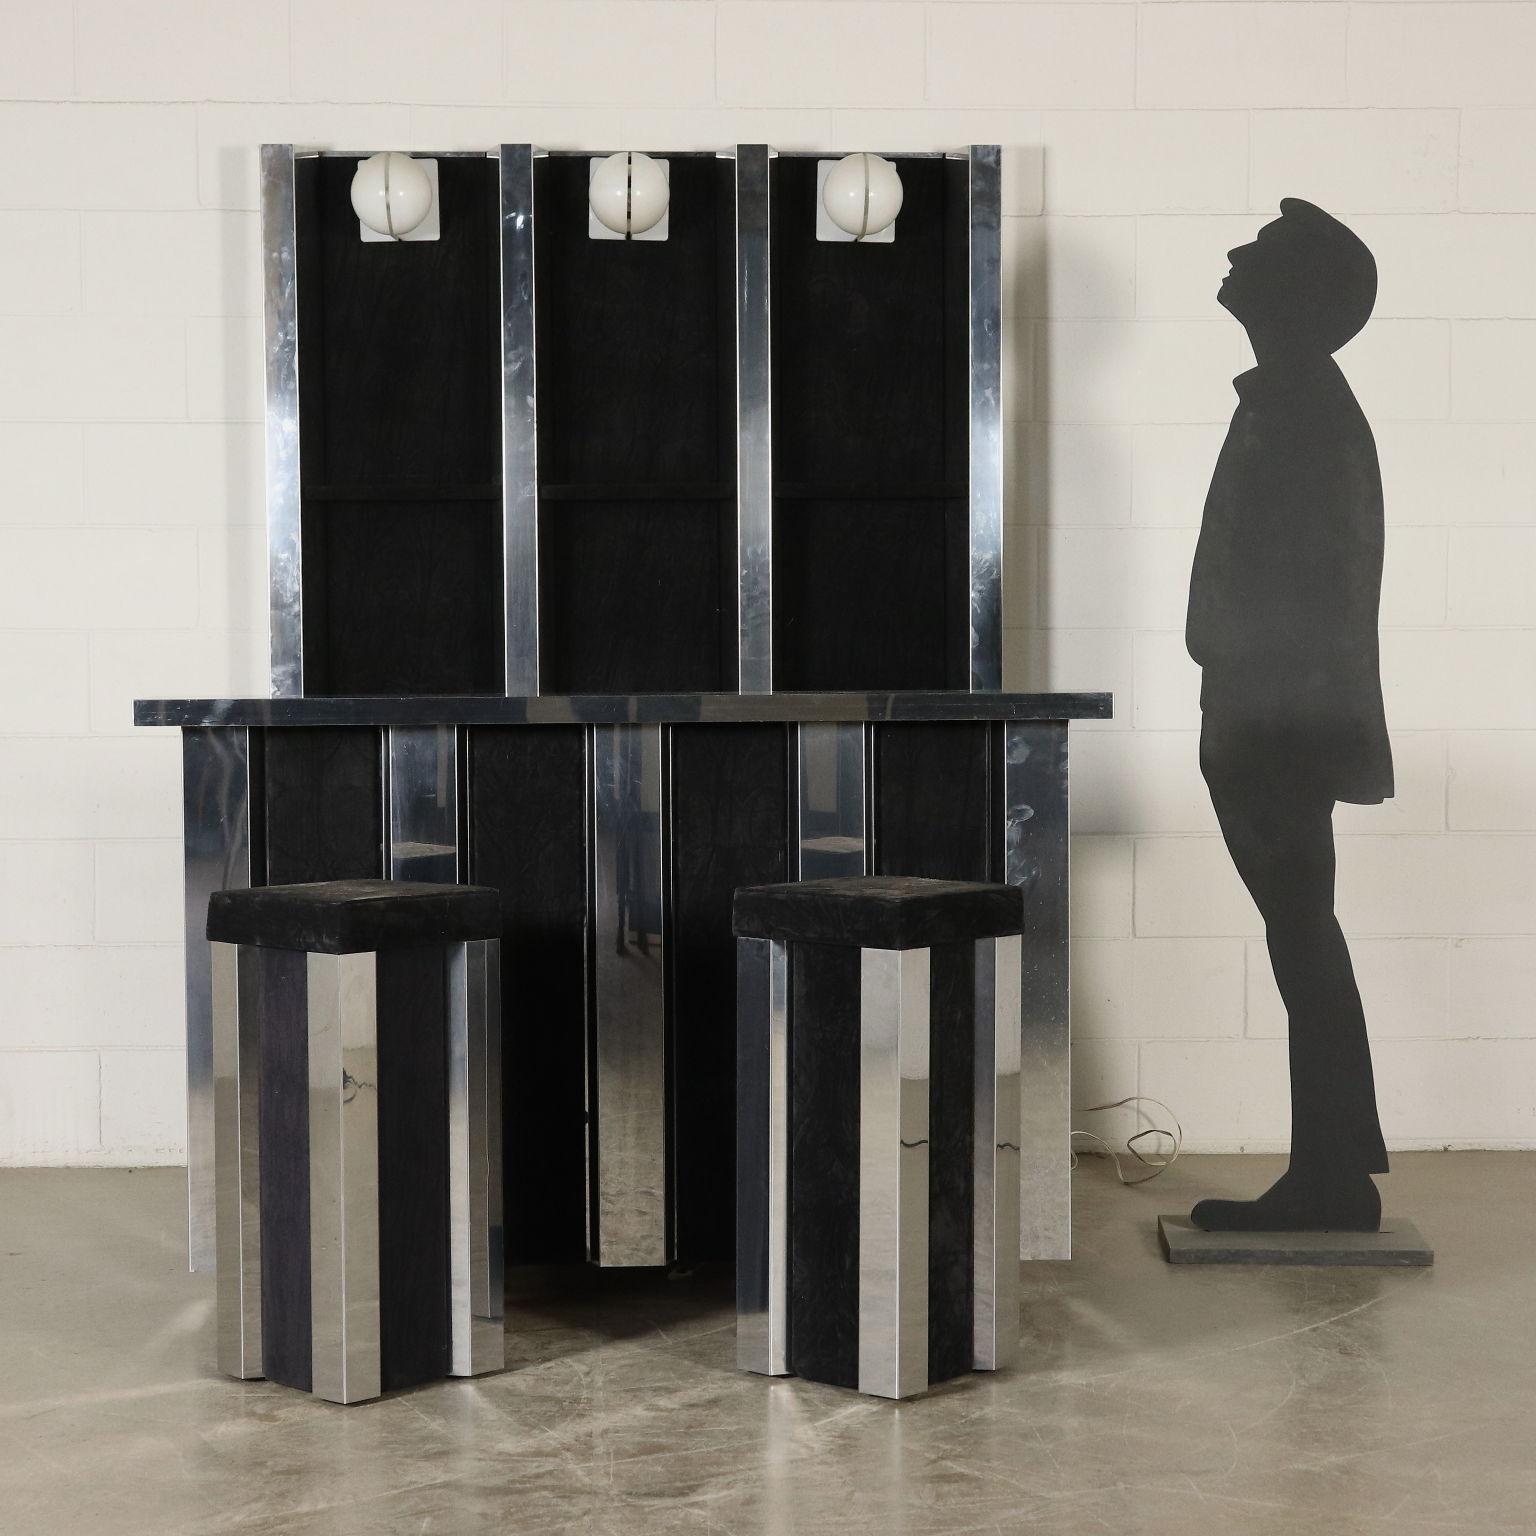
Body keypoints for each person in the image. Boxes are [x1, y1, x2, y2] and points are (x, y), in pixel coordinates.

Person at [1186, 198, 1393, 1232]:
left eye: (1261, 251)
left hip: (1277, 723)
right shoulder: (1296, 399)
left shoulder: (1305, 406)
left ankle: (1332, 1175)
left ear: (1301, 296)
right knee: (1302, 935)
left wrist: (1251, 709)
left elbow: (1325, 588)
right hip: (1268, 715)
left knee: (1302, 935)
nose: (1235, 253)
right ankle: (1336, 1166)